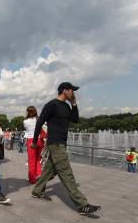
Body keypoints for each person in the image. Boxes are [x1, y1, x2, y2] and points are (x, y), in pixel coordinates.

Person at [30, 82, 101, 215]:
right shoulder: (51, 105)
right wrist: (34, 141)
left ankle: (37, 191)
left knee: (50, 171)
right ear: (64, 90)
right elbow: (39, 122)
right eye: (71, 90)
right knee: (66, 173)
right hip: (55, 143)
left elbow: (75, 119)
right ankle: (82, 205)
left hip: (61, 143)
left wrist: (74, 103)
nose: (73, 93)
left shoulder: (66, 106)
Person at [23, 106, 47, 184]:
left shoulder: (25, 121)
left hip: (31, 140)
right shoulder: (38, 119)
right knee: (38, 159)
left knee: (31, 161)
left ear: (28, 112)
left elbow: (27, 130)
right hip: (40, 140)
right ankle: (39, 175)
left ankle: (32, 179)